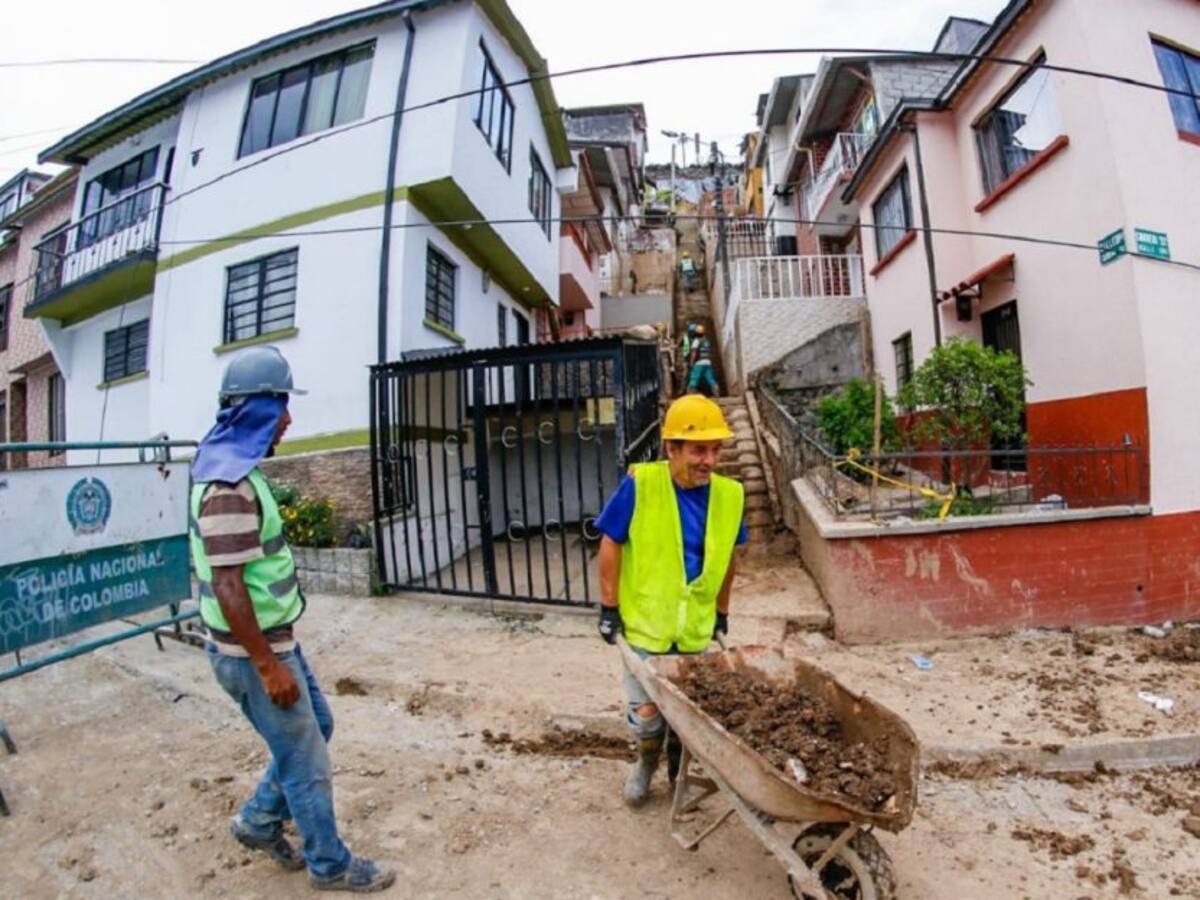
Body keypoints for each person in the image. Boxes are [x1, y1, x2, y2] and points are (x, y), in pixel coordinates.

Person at [189, 346, 394, 893]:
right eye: (281, 404)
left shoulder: (236, 473)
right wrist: (266, 665)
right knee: (305, 763)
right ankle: (330, 866)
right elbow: (229, 586)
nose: (288, 418)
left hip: (273, 646)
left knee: (315, 729)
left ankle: (257, 822)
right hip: (254, 655)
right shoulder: (227, 487)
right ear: (254, 408)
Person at [594, 395, 747, 806]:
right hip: (647, 624)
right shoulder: (641, 485)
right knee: (647, 714)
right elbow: (611, 541)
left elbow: (730, 557)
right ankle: (645, 763)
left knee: (688, 717)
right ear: (671, 448)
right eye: (699, 449)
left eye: (716, 450)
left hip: (694, 628)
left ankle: (678, 775)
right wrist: (609, 607)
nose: (710, 460)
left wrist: (721, 611)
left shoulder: (731, 496)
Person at [687, 324, 719, 397]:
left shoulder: (696, 341)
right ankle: (717, 393)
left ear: (695, 333)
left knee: (694, 378)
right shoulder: (706, 341)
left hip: (699, 362)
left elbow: (694, 352)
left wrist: (691, 362)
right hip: (708, 362)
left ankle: (690, 395)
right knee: (710, 379)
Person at [679, 322, 697, 393]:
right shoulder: (687, 337)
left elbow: (679, 345)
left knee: (689, 375)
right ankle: (684, 390)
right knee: (687, 375)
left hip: (691, 359)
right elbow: (679, 345)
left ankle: (688, 390)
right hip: (688, 359)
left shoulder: (694, 338)